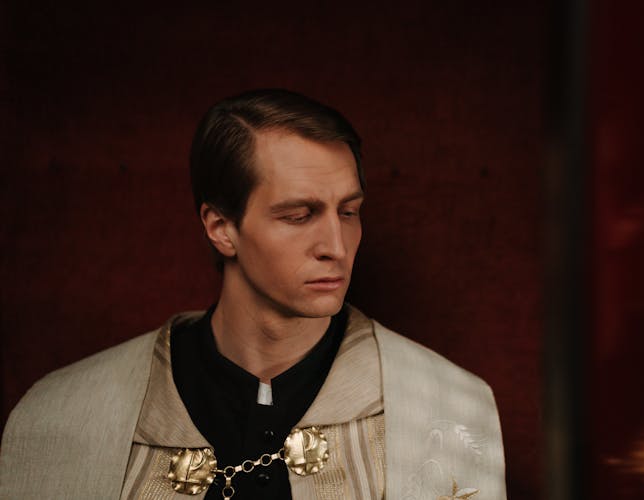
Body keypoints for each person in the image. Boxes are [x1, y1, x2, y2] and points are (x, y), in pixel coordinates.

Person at [0, 89, 506, 499]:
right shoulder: (60, 416)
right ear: (221, 227)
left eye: (348, 211)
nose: (337, 246)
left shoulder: (452, 408)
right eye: (299, 215)